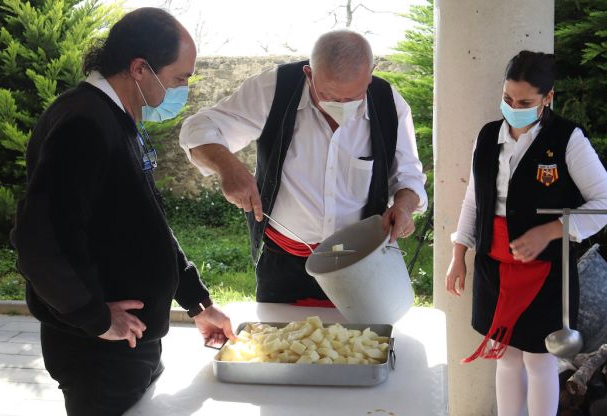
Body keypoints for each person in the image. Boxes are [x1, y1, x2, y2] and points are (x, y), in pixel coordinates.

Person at [9, 8, 235, 416]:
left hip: (132, 343)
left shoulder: (115, 117)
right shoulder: (84, 123)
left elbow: (145, 224)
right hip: (98, 352)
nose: (183, 88)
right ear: (139, 68)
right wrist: (94, 317)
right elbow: (39, 241)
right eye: (179, 77)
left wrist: (196, 302)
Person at [179, 30, 427, 305]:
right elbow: (197, 129)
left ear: (371, 73)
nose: (341, 106)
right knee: (280, 345)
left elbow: (409, 176)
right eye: (328, 95)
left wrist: (404, 206)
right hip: (284, 262)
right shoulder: (275, 89)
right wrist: (227, 166)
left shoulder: (389, 104)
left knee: (360, 344)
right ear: (309, 74)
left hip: (361, 263)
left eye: (353, 98)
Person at [445, 50, 607, 416]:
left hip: (546, 271)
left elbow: (605, 202)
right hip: (494, 264)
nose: (513, 107)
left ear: (548, 98)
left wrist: (552, 231)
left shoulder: (568, 139)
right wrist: (459, 254)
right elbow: (474, 200)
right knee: (505, 358)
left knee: (539, 361)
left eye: (525, 102)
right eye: (508, 98)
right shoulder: (488, 135)